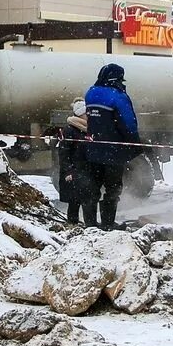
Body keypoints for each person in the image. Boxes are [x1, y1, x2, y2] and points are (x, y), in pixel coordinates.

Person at [84, 63, 140, 228]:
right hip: (113, 151)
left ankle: (90, 224)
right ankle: (108, 223)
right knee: (113, 188)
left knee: (92, 187)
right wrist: (135, 142)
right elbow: (129, 123)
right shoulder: (117, 96)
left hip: (93, 148)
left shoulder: (91, 93)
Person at [54, 99, 96, 226]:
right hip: (75, 170)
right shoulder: (70, 130)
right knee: (75, 200)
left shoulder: (88, 129)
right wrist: (68, 171)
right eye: (86, 113)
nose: (89, 115)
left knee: (88, 198)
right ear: (80, 114)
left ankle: (91, 225)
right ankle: (73, 223)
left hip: (87, 170)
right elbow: (64, 153)